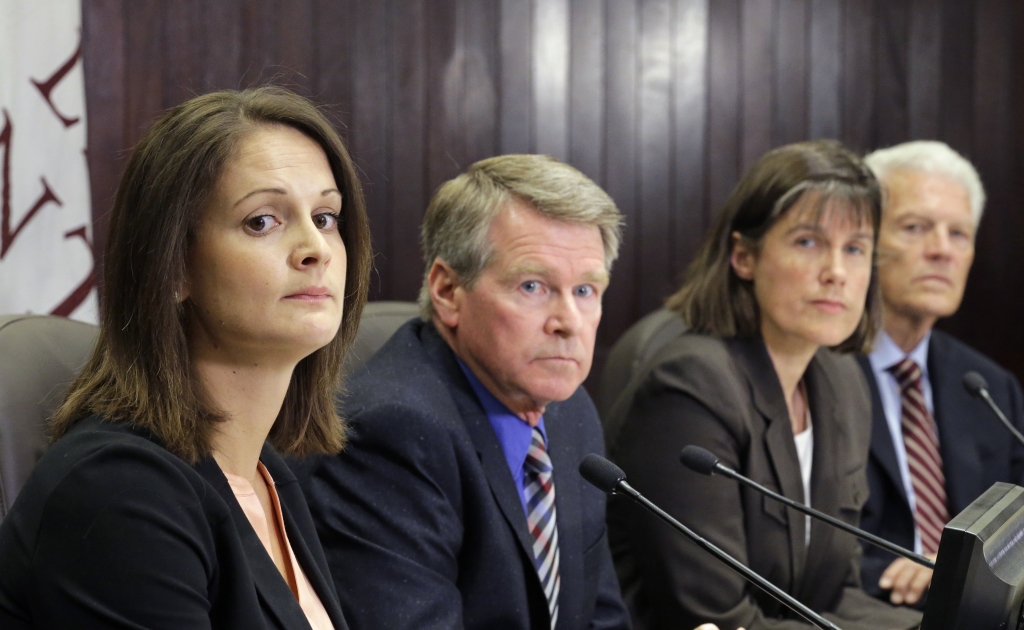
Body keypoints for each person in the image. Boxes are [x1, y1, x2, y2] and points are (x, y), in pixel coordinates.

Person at [0, 86, 372, 629]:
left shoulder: (270, 476)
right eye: (262, 220)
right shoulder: (119, 492)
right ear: (173, 267)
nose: (314, 248)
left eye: (325, 217)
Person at [297, 154, 640, 630]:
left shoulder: (570, 411)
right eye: (533, 286)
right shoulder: (391, 436)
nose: (568, 323)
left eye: (585, 291)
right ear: (448, 290)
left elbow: (599, 620)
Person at [603, 140, 923, 630]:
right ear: (743, 257)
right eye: (808, 242)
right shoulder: (690, 388)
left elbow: (839, 594)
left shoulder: (841, 381)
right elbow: (717, 619)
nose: (836, 272)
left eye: (855, 248)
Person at [857, 141, 1024, 607]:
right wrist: (913, 569)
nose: (942, 251)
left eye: (959, 234)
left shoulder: (987, 385)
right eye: (916, 228)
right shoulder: (814, 372)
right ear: (863, 241)